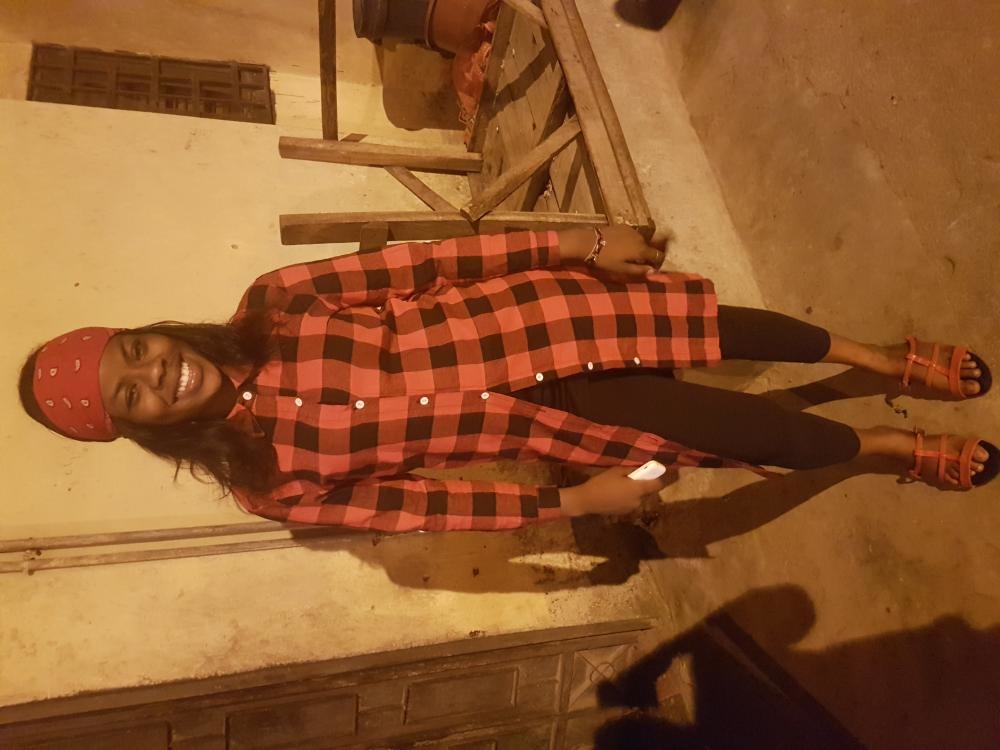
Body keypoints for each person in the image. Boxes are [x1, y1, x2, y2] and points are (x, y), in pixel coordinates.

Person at [19, 227, 997, 532]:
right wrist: (571, 502)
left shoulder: (271, 300)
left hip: (541, 313)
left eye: (135, 350)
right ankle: (888, 447)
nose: (156, 371)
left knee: (725, 328)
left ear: (150, 332)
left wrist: (575, 245)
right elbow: (420, 508)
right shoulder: (266, 485)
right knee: (749, 435)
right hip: (556, 419)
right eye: (131, 394)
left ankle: (879, 358)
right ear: (140, 429)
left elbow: (428, 263)